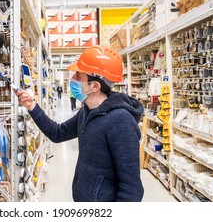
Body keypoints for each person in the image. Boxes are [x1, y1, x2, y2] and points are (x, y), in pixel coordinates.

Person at [15, 45, 144, 202]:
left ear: (94, 86)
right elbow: (57, 133)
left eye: (78, 75)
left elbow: (132, 190)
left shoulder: (121, 121)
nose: (72, 79)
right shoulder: (87, 111)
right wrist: (31, 106)